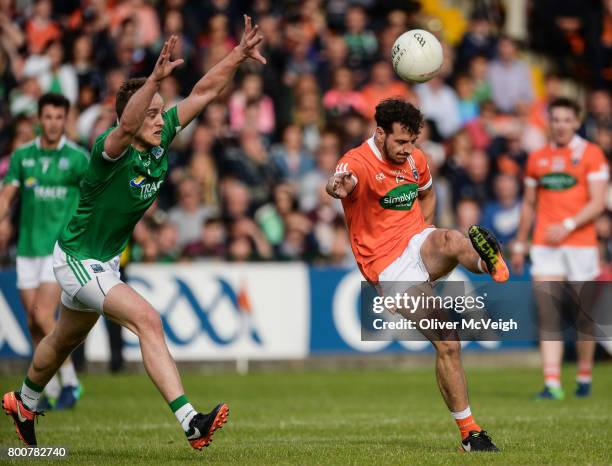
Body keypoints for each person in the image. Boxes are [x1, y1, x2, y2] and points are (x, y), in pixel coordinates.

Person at [2, 15, 266, 449]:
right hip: (77, 258)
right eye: (154, 113)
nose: (162, 120)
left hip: (101, 260)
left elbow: (203, 91)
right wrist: (153, 80)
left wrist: (237, 55)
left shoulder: (160, 143)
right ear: (134, 114)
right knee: (148, 319)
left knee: (61, 339)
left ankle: (23, 401)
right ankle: (190, 422)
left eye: (162, 112)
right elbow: (125, 125)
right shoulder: (109, 151)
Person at [326, 98, 509, 452]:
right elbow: (336, 185)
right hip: (389, 267)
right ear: (379, 133)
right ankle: (471, 434)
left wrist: (421, 229)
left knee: (450, 237)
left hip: (415, 243)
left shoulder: (415, 158)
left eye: (412, 142)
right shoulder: (356, 163)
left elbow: (427, 192)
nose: (407, 150)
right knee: (448, 342)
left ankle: (490, 264)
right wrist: (338, 187)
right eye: (400, 142)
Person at [511, 97, 609, 400]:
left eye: (567, 120)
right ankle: (552, 383)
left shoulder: (591, 155)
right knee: (549, 313)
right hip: (545, 244)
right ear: (549, 123)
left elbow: (597, 202)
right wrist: (519, 241)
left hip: (580, 244)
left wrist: (567, 225)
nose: (561, 125)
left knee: (584, 316)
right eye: (555, 119)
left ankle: (583, 375)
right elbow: (528, 204)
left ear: (576, 122)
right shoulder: (537, 158)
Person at [0, 93, 88, 410]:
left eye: (58, 117)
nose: (52, 123)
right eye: (47, 117)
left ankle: (71, 382)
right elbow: (7, 196)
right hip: (27, 249)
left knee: (43, 314)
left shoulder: (78, 158)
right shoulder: (23, 157)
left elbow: (94, 194)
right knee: (34, 323)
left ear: (66, 120)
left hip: (59, 251)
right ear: (39, 119)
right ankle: (46, 391)